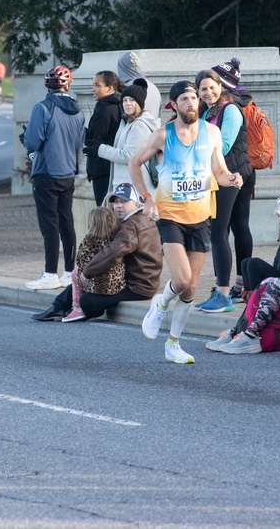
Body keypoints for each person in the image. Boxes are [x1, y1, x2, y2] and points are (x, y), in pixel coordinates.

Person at [129, 79, 244, 364]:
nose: (192, 103)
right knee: (180, 280)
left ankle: (173, 344)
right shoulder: (162, 135)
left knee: (190, 288)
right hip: (169, 215)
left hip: (201, 215)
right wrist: (146, 197)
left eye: (194, 98)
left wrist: (230, 178)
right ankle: (160, 303)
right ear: (174, 105)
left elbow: (219, 170)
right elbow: (134, 162)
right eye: (185, 99)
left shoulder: (212, 133)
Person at [32, 183, 164, 322]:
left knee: (87, 300)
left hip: (137, 287)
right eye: (116, 202)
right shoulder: (141, 218)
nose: (119, 205)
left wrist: (87, 271)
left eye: (124, 201)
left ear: (136, 204)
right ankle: (56, 307)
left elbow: (112, 253)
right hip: (144, 281)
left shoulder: (131, 226)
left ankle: (63, 308)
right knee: (82, 281)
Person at [194, 61, 256, 313]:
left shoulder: (229, 110)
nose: (208, 92)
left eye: (212, 87)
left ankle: (223, 293)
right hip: (233, 172)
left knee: (219, 231)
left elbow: (225, 145)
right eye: (203, 89)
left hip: (230, 174)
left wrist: (195, 157)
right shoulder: (207, 111)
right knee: (237, 227)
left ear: (221, 87)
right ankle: (242, 286)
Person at [216, 200, 280, 354]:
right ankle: (244, 324)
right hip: (279, 287)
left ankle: (248, 326)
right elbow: (277, 270)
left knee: (254, 264)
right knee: (246, 263)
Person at [22, 65, 86, 290]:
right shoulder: (78, 110)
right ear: (69, 84)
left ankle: (50, 273)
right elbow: (79, 143)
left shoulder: (43, 108)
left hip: (46, 172)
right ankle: (70, 271)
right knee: (66, 222)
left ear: (47, 85)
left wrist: (29, 146)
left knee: (49, 224)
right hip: (67, 172)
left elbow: (32, 142)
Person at [97, 78, 158, 195]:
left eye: (132, 100)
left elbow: (128, 156)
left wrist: (100, 149)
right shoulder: (128, 121)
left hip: (134, 189)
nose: (127, 104)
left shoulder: (139, 125)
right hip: (127, 187)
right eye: (124, 100)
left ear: (139, 103)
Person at [82, 70, 123, 205]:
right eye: (93, 85)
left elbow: (95, 137)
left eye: (98, 85)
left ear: (110, 88)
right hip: (112, 165)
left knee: (104, 211)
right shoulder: (118, 103)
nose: (93, 89)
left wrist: (78, 130)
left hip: (102, 166)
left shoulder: (105, 107)